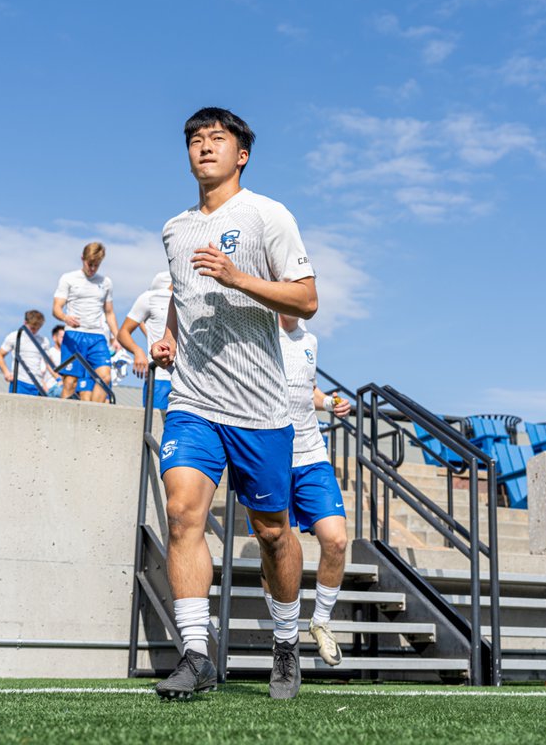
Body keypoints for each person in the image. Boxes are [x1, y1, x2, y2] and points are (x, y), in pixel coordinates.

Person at [150, 107, 317, 701]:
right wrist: (170, 332)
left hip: (261, 409)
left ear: (241, 153)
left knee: (274, 534)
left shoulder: (268, 216)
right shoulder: (174, 228)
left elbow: (306, 301)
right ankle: (197, 653)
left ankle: (287, 643)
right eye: (195, 140)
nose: (204, 147)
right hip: (193, 400)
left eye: (216, 139)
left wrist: (237, 276)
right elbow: (183, 290)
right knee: (183, 512)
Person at [256, 315, 352, 667]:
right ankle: (286, 633)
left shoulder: (309, 341)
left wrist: (330, 403)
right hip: (270, 453)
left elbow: (306, 390)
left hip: (312, 455)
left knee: (337, 540)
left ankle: (321, 622)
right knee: (277, 546)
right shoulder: (259, 329)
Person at [53, 242, 120, 403]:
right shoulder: (68, 278)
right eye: (89, 264)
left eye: (96, 265)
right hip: (74, 334)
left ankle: (93, 418)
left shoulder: (106, 283)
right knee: (70, 382)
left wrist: (117, 337)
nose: (92, 269)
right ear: (82, 259)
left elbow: (109, 313)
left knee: (105, 377)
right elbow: (56, 308)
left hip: (97, 336)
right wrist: (65, 318)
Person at [117, 271, 173, 410]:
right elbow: (123, 332)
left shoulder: (195, 298)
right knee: (155, 429)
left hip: (190, 383)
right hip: (160, 378)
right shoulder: (151, 296)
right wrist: (138, 351)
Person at [0, 310, 55, 395]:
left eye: (38, 328)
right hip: (20, 381)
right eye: (32, 328)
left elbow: (49, 363)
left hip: (37, 384)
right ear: (25, 323)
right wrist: (6, 372)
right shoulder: (14, 336)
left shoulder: (43, 341)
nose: (35, 331)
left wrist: (59, 379)